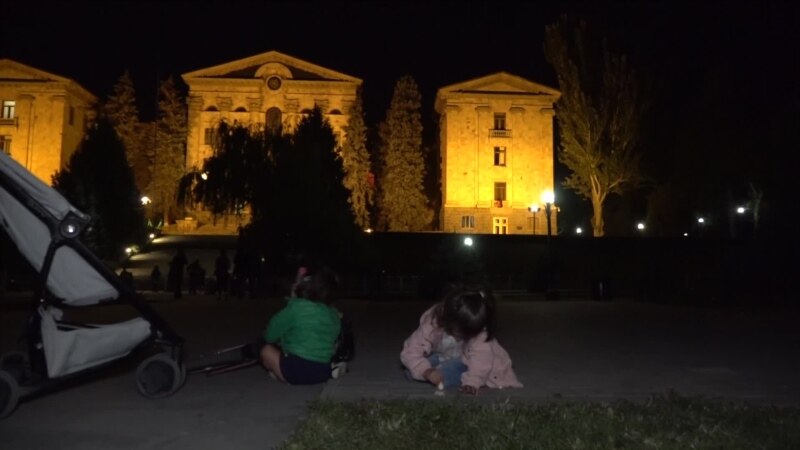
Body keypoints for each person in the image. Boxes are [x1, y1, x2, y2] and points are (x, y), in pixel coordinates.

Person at [400, 284, 522, 395]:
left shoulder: (480, 332)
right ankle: (430, 372)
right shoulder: (432, 321)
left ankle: (441, 373)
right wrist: (425, 371)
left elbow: (481, 360)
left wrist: (472, 382)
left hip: (470, 362)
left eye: (463, 334)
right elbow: (411, 350)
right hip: (445, 355)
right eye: (455, 331)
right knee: (415, 366)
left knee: (443, 374)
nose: (457, 336)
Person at [259, 263, 342, 385]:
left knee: (265, 350)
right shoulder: (333, 313)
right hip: (322, 371)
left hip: (297, 371)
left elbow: (270, 335)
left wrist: (293, 300)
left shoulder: (297, 307)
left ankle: (283, 375)